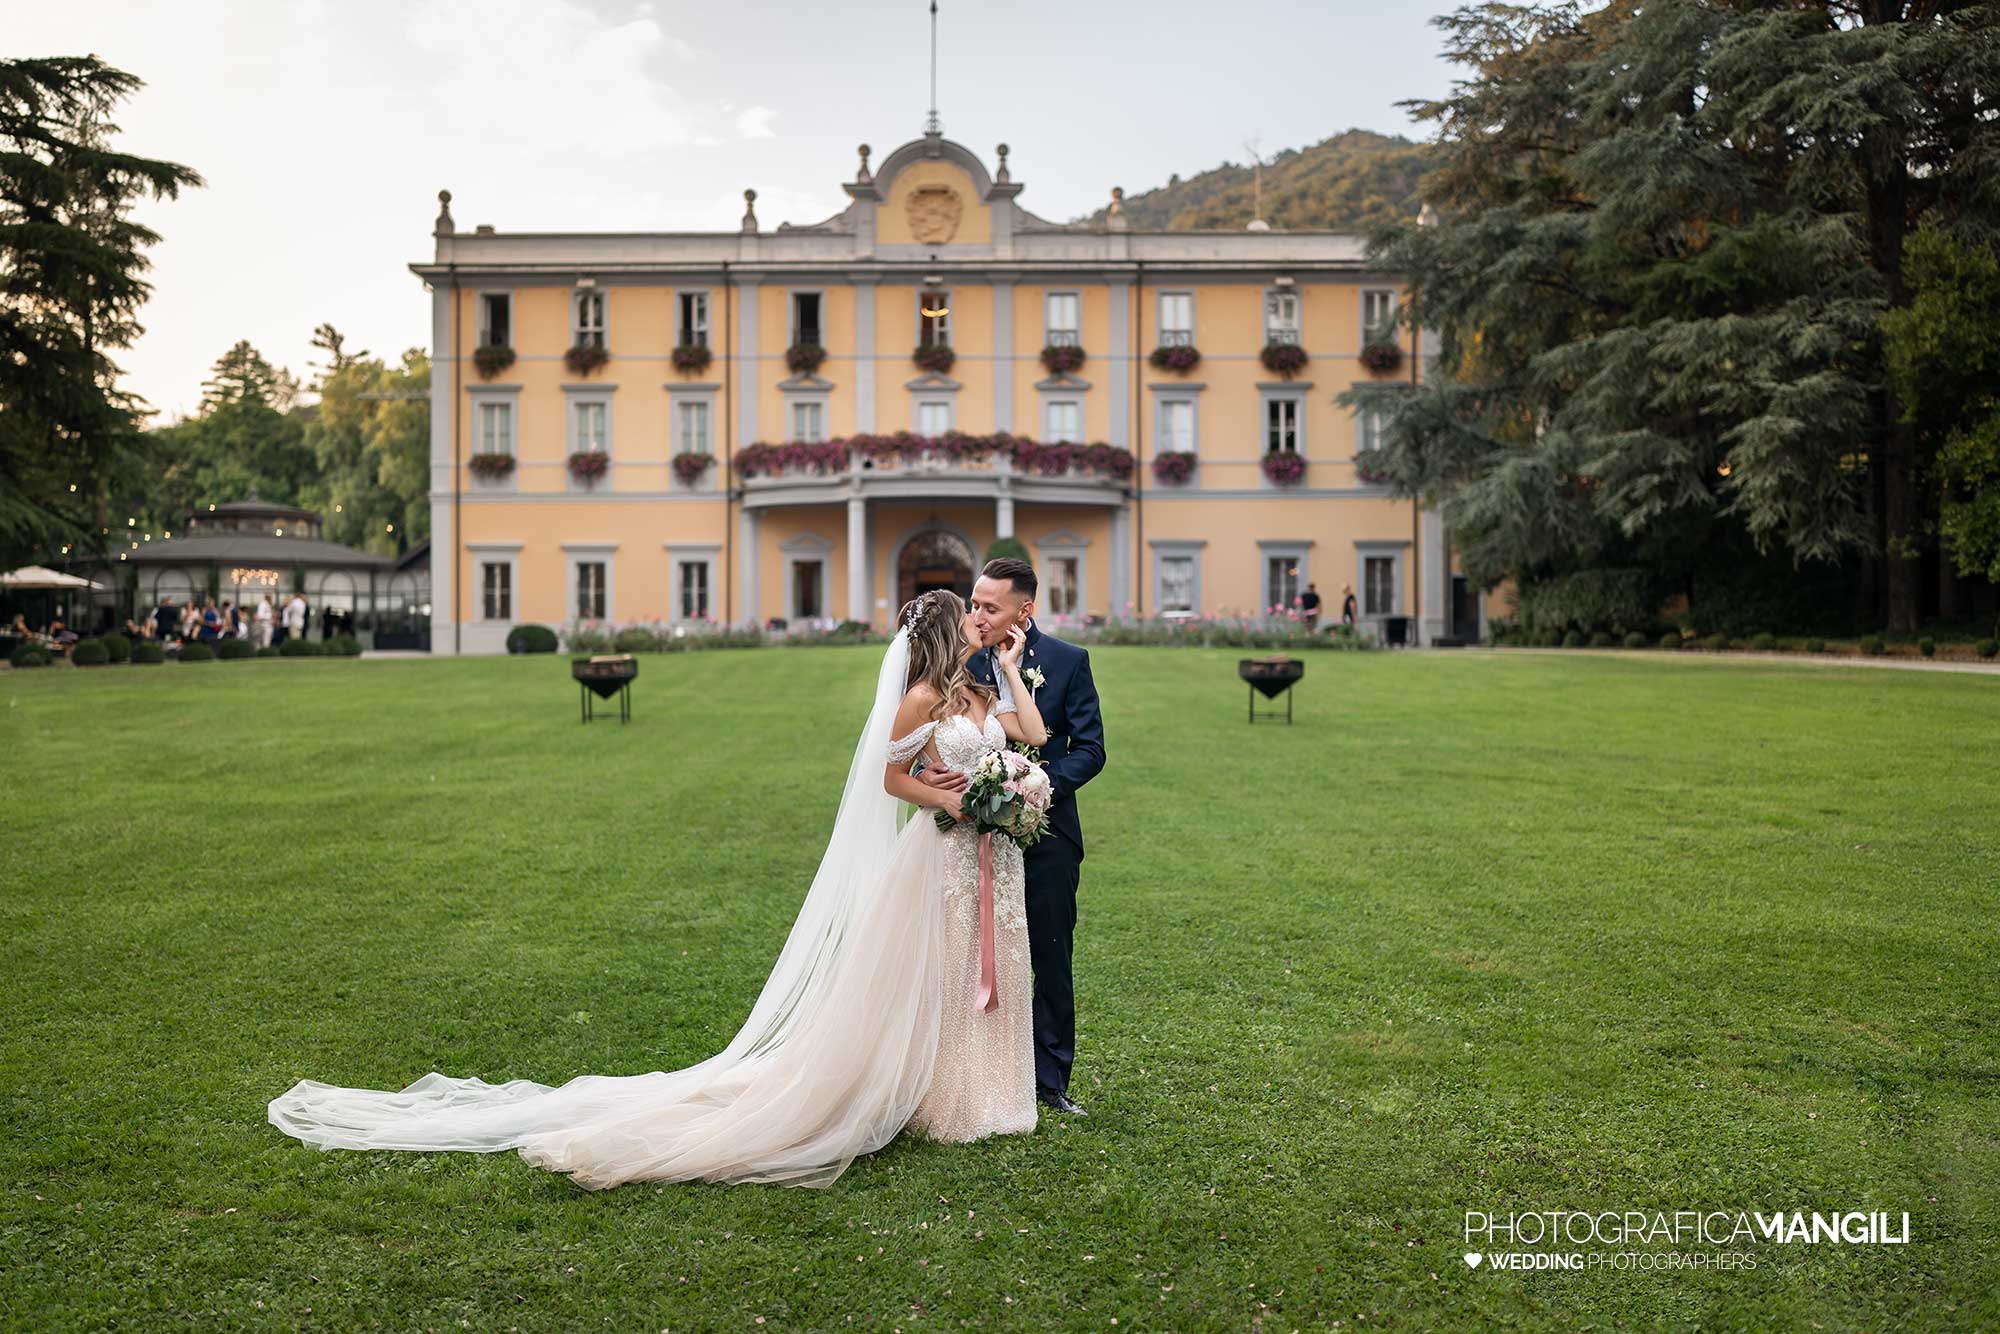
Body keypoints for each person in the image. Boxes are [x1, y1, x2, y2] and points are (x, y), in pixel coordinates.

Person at [268, 589, 1057, 1189]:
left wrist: (1009, 778)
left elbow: (1027, 738)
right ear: (943, 633)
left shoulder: (976, 690)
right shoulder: (921, 698)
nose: (977, 622)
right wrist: (956, 800)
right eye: (968, 616)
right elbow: (891, 778)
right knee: (939, 973)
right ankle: (935, 1097)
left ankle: (980, 1094)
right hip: (942, 853)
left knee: (977, 973)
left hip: (986, 854)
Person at [956, 556, 1108, 1117]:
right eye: (974, 604)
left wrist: (1035, 788)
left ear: (1025, 611)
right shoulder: (960, 660)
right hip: (970, 834)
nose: (978, 616)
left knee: (1049, 952)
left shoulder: (1069, 661)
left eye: (990, 608)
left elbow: (1090, 749)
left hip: (1047, 834)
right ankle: (979, 1073)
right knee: (973, 955)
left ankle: (1050, 1081)